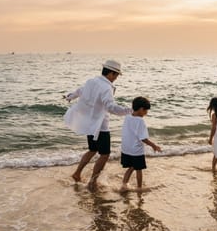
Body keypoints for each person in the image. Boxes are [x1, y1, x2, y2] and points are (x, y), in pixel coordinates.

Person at [63, 60, 131, 190]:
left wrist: (69, 96)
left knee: (92, 150)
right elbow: (110, 107)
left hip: (90, 124)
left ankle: (77, 174)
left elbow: (79, 91)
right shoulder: (106, 87)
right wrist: (129, 111)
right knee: (104, 154)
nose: (116, 78)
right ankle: (92, 182)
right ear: (111, 73)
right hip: (101, 126)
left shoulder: (91, 81)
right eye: (116, 75)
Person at [120, 97, 161, 192]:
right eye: (146, 111)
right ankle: (139, 187)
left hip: (126, 148)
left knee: (131, 168)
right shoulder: (140, 121)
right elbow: (143, 138)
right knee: (139, 169)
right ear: (141, 109)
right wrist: (154, 145)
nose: (146, 113)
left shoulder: (127, 116)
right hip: (136, 150)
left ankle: (124, 185)